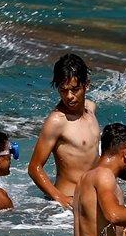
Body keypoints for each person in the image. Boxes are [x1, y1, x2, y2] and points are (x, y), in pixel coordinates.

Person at [27, 53, 101, 208]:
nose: (69, 96)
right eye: (63, 90)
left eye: (75, 89)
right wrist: (59, 198)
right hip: (68, 203)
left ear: (86, 85)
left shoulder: (91, 108)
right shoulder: (56, 121)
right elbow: (34, 167)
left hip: (92, 197)